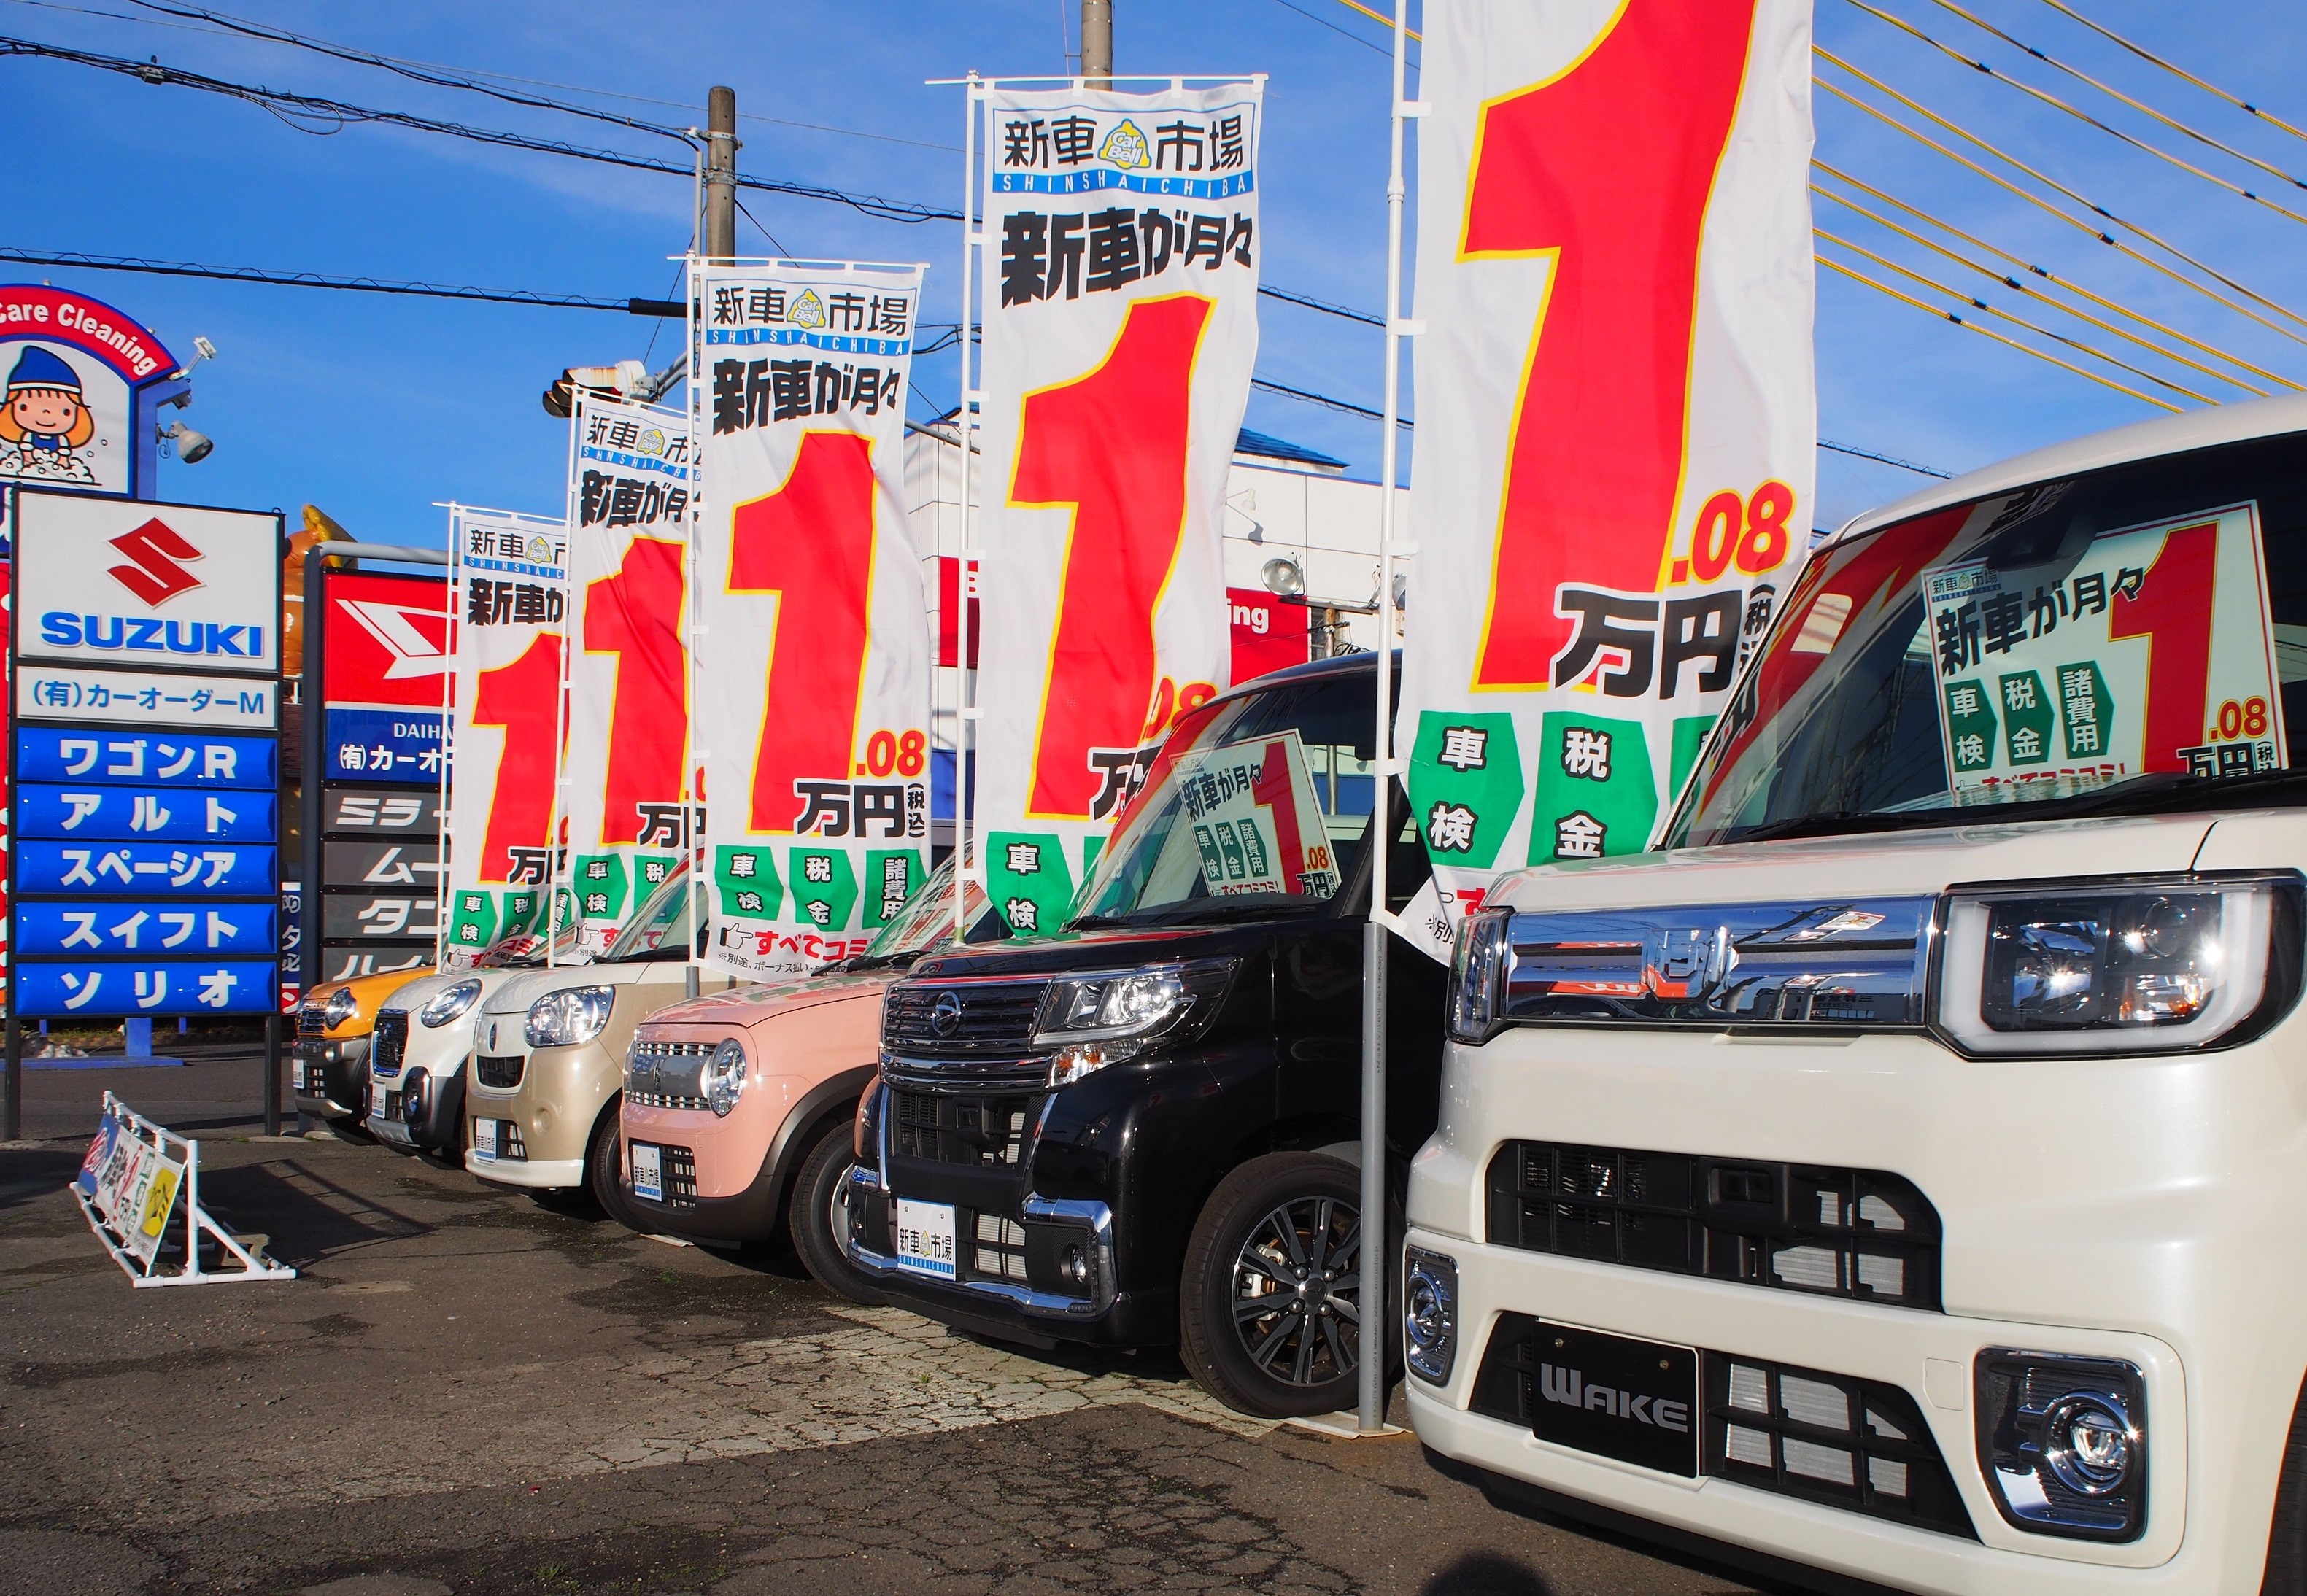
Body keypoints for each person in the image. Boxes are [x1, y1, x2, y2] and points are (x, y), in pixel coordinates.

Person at [0, 345, 98, 484]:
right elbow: (26, 450)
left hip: (56, 471)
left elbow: (64, 453)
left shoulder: (62, 440)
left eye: (65, 411)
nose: (46, 414)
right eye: (25, 407)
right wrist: (29, 461)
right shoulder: (28, 437)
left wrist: (62, 462)